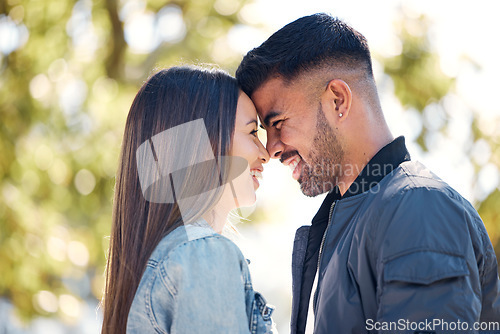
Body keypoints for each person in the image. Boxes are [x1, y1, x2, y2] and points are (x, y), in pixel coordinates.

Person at [236, 13, 500, 334]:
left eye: (277, 124)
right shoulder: (356, 218)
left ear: (338, 100)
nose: (272, 148)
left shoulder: (418, 208)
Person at [101, 66, 275, 334]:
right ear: (202, 143)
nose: (266, 153)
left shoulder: (161, 258)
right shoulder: (203, 254)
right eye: (253, 132)